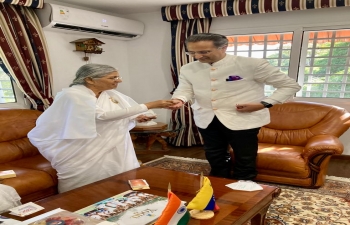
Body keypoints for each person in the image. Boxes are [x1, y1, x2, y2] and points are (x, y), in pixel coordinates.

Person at [169, 33, 301, 180]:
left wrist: (263, 104)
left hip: (243, 119)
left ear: (224, 47)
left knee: (244, 155)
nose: (198, 57)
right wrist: (179, 99)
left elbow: (290, 85)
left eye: (204, 52)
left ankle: (244, 185)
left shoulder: (252, 64)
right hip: (206, 117)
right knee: (214, 154)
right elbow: (185, 89)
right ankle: (219, 182)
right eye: (192, 52)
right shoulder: (188, 69)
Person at [28, 64, 175, 193]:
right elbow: (102, 116)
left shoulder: (110, 94)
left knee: (117, 177)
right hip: (83, 148)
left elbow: (117, 113)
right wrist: (150, 105)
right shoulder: (72, 95)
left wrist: (134, 117)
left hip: (114, 144)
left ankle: (117, 200)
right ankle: (75, 203)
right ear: (90, 79)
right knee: (83, 184)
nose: (119, 80)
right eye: (113, 78)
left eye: (118, 76)